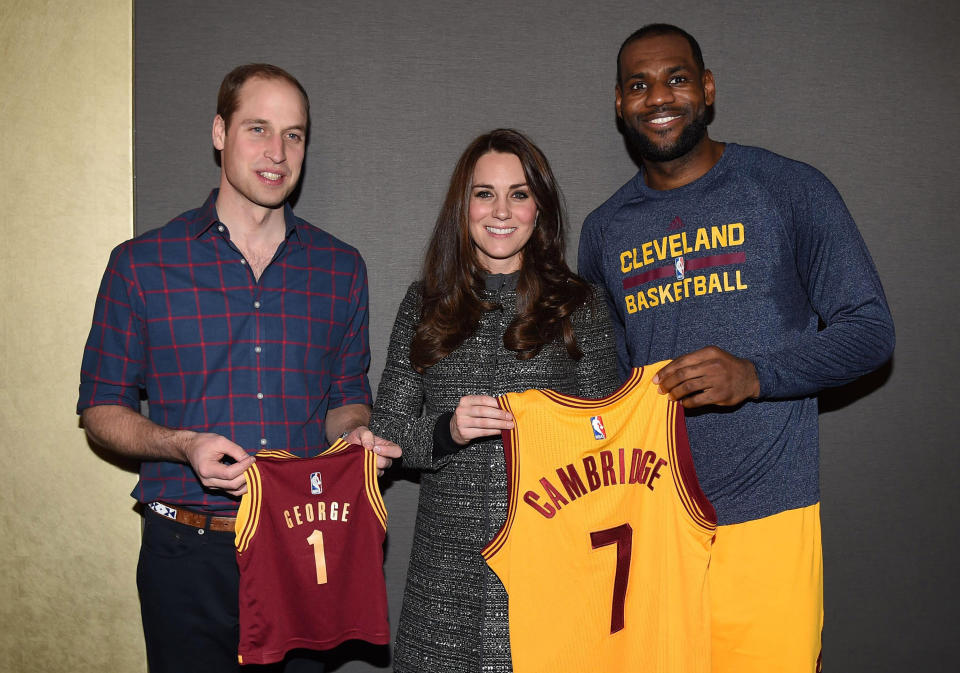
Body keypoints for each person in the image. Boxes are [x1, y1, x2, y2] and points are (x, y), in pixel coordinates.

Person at [578, 24, 895, 672]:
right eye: (638, 84)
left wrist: (756, 375)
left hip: (768, 521)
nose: (658, 96)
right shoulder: (603, 229)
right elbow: (602, 382)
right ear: (618, 103)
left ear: (708, 88)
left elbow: (870, 330)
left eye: (676, 77)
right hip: (651, 525)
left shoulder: (788, 189)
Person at [77, 63, 400, 673]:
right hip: (185, 553)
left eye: (294, 134)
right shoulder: (141, 265)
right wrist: (182, 443)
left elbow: (347, 398)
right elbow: (101, 411)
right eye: (259, 129)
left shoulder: (340, 269)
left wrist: (353, 438)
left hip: (302, 545)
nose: (277, 152)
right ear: (220, 133)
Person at [360, 129, 619, 673]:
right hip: (445, 574)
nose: (501, 210)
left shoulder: (581, 306)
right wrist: (446, 431)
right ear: (463, 205)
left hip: (550, 563)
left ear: (539, 208)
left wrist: (560, 431)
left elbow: (607, 436)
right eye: (484, 193)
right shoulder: (424, 303)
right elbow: (386, 429)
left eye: (519, 194)